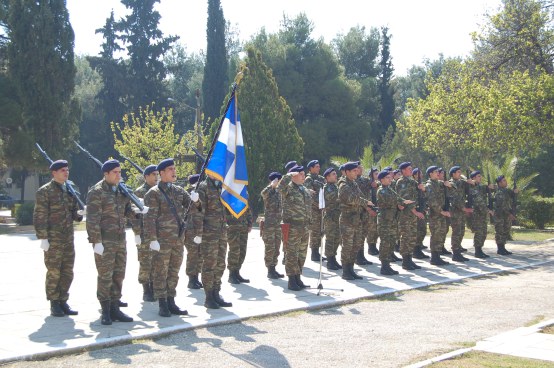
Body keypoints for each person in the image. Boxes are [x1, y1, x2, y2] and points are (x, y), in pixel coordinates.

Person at [86, 159, 146, 325]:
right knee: (105, 276)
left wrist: (138, 211)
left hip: (120, 240)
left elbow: (127, 210)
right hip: (104, 242)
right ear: (106, 174)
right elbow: (92, 220)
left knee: (119, 275)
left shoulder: (120, 190)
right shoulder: (96, 192)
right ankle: (105, 310)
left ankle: (115, 308)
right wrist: (96, 241)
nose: (119, 175)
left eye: (120, 172)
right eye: (115, 172)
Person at [144, 158, 200, 317]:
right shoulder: (153, 193)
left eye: (174, 169)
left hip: (177, 239)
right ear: (161, 173)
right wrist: (152, 239)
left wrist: (196, 200)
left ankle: (171, 301)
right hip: (161, 241)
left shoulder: (178, 191)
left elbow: (195, 208)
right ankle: (162, 303)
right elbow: (149, 218)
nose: (174, 172)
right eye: (170, 169)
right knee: (161, 272)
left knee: (174, 271)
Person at [33, 160, 84, 317]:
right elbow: (39, 216)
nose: (66, 172)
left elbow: (74, 214)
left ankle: (63, 300)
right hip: (53, 240)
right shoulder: (45, 191)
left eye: (67, 170)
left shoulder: (69, 190)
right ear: (54, 173)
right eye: (62, 170)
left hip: (68, 238)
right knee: (54, 271)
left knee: (67, 271)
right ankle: (54, 302)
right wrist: (43, 238)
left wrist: (80, 214)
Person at [196, 171, 233, 309]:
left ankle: (217, 292)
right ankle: (209, 296)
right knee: (209, 265)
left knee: (220, 264)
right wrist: (199, 233)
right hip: (209, 233)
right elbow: (199, 212)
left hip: (222, 231)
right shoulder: (203, 187)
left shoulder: (220, 187)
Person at [338, 162, 374, 280]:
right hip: (347, 220)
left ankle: (351, 268)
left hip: (357, 219)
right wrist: (365, 202)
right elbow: (350, 198)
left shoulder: (354, 183)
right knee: (347, 246)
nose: (356, 172)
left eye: (356, 170)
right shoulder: (343, 185)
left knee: (356, 245)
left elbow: (360, 196)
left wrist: (368, 205)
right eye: (354, 171)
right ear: (347, 172)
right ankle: (345, 271)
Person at [279, 165, 312, 291]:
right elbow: (279, 188)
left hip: (304, 226)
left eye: (304, 174)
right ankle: (291, 280)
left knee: (302, 253)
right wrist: (288, 175)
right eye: (301, 174)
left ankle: (298, 277)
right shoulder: (288, 188)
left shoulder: (303, 189)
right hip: (292, 226)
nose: (304, 176)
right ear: (294, 176)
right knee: (291, 253)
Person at [377, 170, 414, 275]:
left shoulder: (389, 189)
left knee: (392, 242)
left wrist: (404, 201)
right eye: (388, 178)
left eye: (390, 177)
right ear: (382, 179)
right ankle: (384, 266)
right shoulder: (382, 190)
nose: (390, 179)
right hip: (385, 221)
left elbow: (398, 198)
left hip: (392, 220)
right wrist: (403, 202)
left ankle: (388, 264)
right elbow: (393, 200)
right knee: (385, 243)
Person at [133, 164, 158, 302]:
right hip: (144, 233)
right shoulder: (139, 192)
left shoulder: (158, 191)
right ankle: (146, 289)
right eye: (153, 174)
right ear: (146, 176)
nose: (156, 177)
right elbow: (134, 216)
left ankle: (155, 286)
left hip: (156, 232)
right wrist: (137, 233)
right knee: (145, 261)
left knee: (156, 260)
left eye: (157, 174)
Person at [395, 162, 425, 270]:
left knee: (412, 237)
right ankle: (405, 261)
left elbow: (418, 196)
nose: (411, 170)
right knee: (406, 237)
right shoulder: (401, 182)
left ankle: (410, 259)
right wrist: (415, 212)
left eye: (411, 168)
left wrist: (422, 189)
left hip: (412, 215)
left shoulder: (413, 181)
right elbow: (406, 199)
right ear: (403, 171)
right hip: (406, 215)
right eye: (409, 168)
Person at [424, 166, 452, 266]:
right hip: (435, 215)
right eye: (436, 172)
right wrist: (441, 211)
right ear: (430, 174)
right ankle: (434, 257)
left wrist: (449, 185)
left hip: (441, 214)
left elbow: (452, 189)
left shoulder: (439, 183)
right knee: (435, 235)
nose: (438, 173)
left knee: (441, 235)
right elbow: (432, 202)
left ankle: (438, 255)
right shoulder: (429, 185)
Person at [260, 172, 285, 279]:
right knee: (270, 247)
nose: (279, 182)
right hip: (269, 225)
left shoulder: (279, 192)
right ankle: (270, 270)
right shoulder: (268, 191)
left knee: (276, 247)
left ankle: (273, 268)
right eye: (277, 180)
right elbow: (263, 194)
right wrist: (271, 186)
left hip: (277, 224)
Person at [447, 166, 474, 262]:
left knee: (461, 231)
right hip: (455, 211)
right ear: (453, 174)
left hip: (462, 211)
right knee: (456, 232)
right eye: (458, 172)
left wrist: (470, 182)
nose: (459, 173)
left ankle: (458, 250)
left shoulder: (461, 182)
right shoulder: (450, 184)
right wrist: (463, 208)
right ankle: (455, 253)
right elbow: (454, 198)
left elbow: (471, 187)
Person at [184, 174, 204, 289]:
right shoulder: (191, 194)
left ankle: (196, 277)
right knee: (193, 254)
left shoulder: (198, 194)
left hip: (199, 228)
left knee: (199, 254)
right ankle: (191, 279)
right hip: (191, 229)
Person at [303, 160, 326, 262]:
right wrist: (319, 205)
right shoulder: (308, 179)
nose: (318, 168)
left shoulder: (321, 178)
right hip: (314, 210)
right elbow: (309, 196)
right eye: (316, 166)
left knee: (321, 230)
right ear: (311, 168)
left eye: (319, 166)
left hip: (322, 209)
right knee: (314, 231)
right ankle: (314, 253)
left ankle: (318, 252)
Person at [467, 171, 493, 258]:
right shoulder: (472, 188)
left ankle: (480, 249)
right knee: (479, 232)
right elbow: (479, 201)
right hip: (477, 213)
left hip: (482, 213)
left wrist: (490, 187)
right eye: (478, 176)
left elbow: (490, 188)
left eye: (480, 176)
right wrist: (487, 210)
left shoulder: (480, 187)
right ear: (473, 178)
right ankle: (477, 251)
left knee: (484, 232)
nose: (480, 178)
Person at [226, 204, 253, 284]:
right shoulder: (229, 192)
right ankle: (231, 275)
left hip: (243, 226)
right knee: (235, 251)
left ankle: (237, 273)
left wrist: (249, 223)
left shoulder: (244, 193)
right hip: (233, 226)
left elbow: (247, 208)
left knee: (242, 251)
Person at [322, 167, 342, 271]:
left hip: (337, 216)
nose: (336, 175)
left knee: (337, 238)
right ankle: (330, 260)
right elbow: (336, 198)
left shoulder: (335, 186)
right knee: (330, 239)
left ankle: (333, 258)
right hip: (330, 217)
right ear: (327, 177)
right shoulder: (327, 188)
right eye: (333, 174)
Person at [494, 175, 519, 255]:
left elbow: (512, 194)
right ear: (500, 183)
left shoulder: (506, 191)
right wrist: (509, 214)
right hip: (500, 215)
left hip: (506, 215)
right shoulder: (499, 192)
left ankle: (503, 247)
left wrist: (516, 192)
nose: (506, 182)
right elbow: (502, 206)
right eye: (504, 181)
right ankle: (500, 249)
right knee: (500, 231)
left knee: (505, 231)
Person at [355, 163, 373, 266]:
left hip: (365, 211)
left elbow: (373, 184)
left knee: (363, 234)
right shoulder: (352, 182)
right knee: (358, 235)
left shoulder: (364, 180)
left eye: (361, 167)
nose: (361, 169)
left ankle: (361, 256)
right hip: (358, 210)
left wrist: (374, 183)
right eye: (358, 168)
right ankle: (358, 256)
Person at [411, 168, 429, 259]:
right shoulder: (412, 184)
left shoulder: (422, 185)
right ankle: (415, 251)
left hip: (422, 211)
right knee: (416, 232)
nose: (421, 176)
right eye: (418, 174)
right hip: (415, 211)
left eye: (421, 174)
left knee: (423, 231)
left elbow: (425, 197)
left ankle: (418, 248)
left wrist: (424, 190)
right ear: (414, 176)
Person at [367, 167, 380, 256]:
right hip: (370, 210)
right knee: (371, 229)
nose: (377, 175)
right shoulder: (368, 184)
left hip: (377, 208)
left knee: (376, 229)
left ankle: (374, 245)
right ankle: (371, 247)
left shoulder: (377, 184)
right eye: (376, 174)